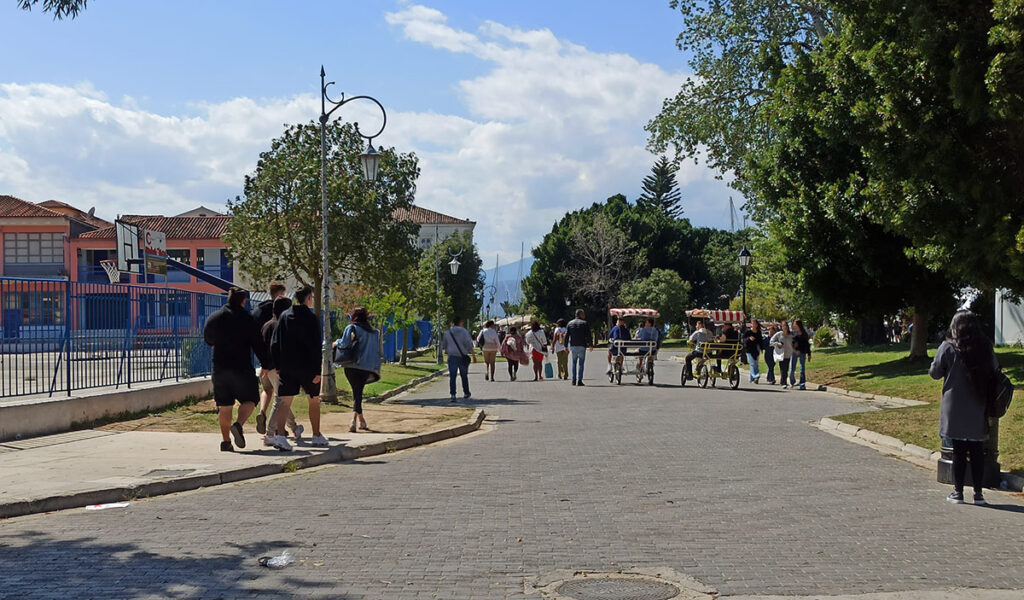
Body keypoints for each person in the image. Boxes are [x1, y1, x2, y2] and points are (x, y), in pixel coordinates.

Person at [929, 311, 997, 506]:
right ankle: (978, 493)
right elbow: (995, 369)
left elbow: (935, 372)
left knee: (958, 450)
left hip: (955, 405)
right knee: (977, 450)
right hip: (978, 403)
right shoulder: (985, 348)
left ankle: (958, 492)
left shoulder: (948, 347)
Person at [202, 287, 266, 452]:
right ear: (243, 301)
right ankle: (238, 424)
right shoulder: (248, 319)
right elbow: (258, 344)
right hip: (242, 369)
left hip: (220, 369)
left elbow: (208, 339)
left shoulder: (215, 318)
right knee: (251, 399)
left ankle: (225, 442)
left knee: (225, 406)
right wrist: (266, 363)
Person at [271, 286, 328, 447]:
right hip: (308, 368)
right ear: (308, 298)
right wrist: (317, 370)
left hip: (287, 366)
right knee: (313, 400)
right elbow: (316, 346)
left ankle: (281, 436)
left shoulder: (284, 316)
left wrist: (278, 365)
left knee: (285, 402)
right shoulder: (311, 318)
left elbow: (275, 343)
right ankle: (316, 435)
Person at [261, 296, 301, 451]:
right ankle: (270, 433)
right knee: (280, 400)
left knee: (283, 399)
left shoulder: (266, 325)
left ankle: (294, 427)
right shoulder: (282, 325)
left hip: (266, 368)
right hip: (277, 368)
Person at [334, 306, 381, 433]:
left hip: (351, 366)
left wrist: (335, 342)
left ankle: (354, 421)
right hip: (366, 367)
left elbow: (344, 344)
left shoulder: (351, 328)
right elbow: (376, 352)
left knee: (357, 391)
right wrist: (377, 368)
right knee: (357, 392)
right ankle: (361, 421)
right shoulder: (374, 333)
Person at [252, 281, 287, 435]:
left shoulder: (257, 312)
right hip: (275, 362)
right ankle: (278, 428)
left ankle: (262, 412)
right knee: (282, 397)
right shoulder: (279, 314)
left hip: (261, 360)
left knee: (267, 389)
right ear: (280, 294)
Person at [442, 316, 476, 401]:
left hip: (452, 356)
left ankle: (453, 395)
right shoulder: (464, 332)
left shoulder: (447, 332)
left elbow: (444, 346)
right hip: (462, 357)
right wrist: (473, 355)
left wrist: (447, 350)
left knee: (452, 376)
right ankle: (466, 392)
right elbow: (469, 344)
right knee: (464, 376)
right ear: (460, 322)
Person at [565, 309, 593, 386]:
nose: (584, 315)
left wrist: (565, 346)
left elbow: (567, 335)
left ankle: (573, 380)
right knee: (581, 363)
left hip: (573, 345)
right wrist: (590, 344)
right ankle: (579, 380)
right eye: (583, 314)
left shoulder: (570, 323)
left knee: (574, 363)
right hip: (582, 345)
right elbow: (588, 335)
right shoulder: (584, 323)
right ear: (580, 314)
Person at [770, 321, 795, 389]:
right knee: (783, 368)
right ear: (781, 327)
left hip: (788, 353)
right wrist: (777, 344)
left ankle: (784, 381)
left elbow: (794, 342)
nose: (785, 327)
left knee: (786, 368)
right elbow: (771, 341)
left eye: (786, 326)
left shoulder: (791, 335)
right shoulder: (779, 334)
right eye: (783, 326)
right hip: (781, 354)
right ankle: (783, 383)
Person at [789, 319, 811, 389]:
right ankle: (792, 382)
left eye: (795, 324)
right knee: (792, 368)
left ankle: (802, 384)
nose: (794, 325)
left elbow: (807, 344)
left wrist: (809, 354)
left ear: (798, 325)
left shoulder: (804, 334)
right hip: (794, 352)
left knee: (802, 368)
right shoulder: (793, 333)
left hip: (802, 352)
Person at [744, 319, 764, 384]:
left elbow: (760, 341)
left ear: (757, 324)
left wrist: (761, 348)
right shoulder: (748, 332)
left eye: (755, 323)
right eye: (752, 323)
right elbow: (743, 340)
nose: (754, 324)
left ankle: (751, 379)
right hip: (749, 350)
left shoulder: (758, 332)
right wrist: (749, 338)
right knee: (752, 363)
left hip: (756, 349)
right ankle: (756, 375)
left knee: (755, 363)